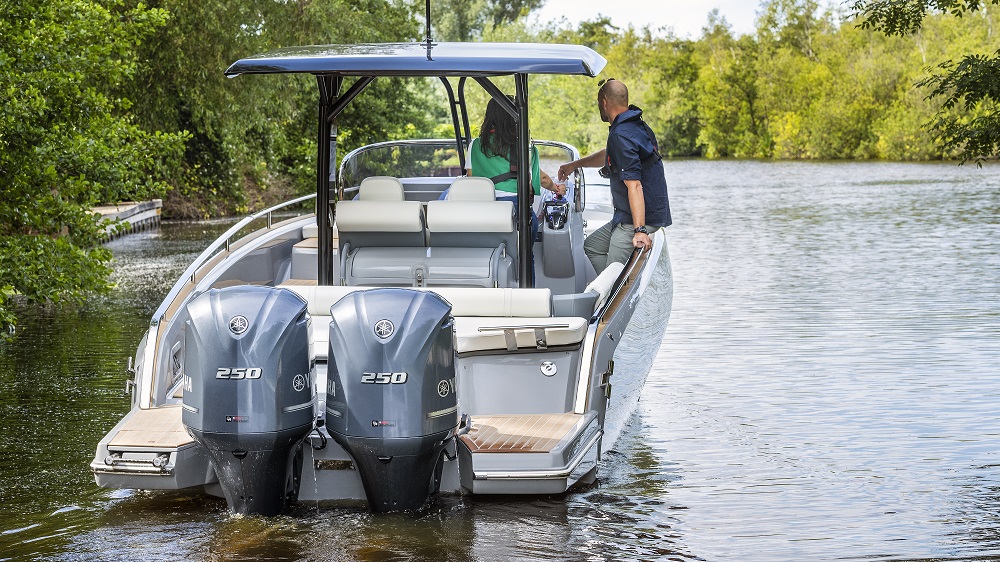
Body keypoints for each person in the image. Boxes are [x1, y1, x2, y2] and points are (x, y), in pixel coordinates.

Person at [558, 79, 671, 274]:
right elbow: (610, 153)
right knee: (591, 246)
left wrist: (640, 231)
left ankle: (614, 289)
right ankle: (618, 281)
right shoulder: (635, 125)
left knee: (613, 276)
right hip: (631, 214)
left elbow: (634, 185)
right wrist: (574, 165)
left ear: (604, 102)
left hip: (635, 220)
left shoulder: (621, 134)